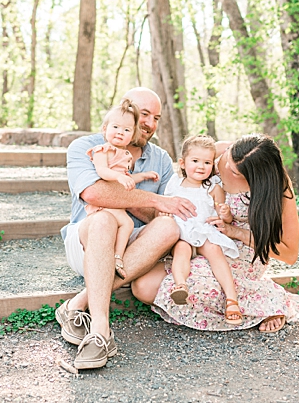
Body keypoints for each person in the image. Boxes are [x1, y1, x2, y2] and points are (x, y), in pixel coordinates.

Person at [147, 135, 299, 332]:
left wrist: (235, 231)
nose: (226, 168)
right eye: (226, 160)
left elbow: (289, 254)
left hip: (243, 252)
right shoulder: (218, 153)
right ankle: (250, 302)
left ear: (256, 176)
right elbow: (188, 174)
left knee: (158, 288)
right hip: (203, 235)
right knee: (143, 287)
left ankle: (267, 304)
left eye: (235, 171)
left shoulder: (280, 188)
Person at [53, 87, 193, 371]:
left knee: (168, 227)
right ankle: (101, 331)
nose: (150, 124)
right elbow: (93, 194)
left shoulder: (161, 160)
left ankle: (77, 304)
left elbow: (162, 213)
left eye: (156, 118)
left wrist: (135, 200)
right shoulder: (86, 147)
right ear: (125, 110)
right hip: (88, 239)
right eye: (144, 115)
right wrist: (151, 198)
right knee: (104, 220)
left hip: (136, 246)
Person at [162, 134, 244, 324]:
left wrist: (225, 213)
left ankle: (231, 299)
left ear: (212, 166)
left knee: (214, 250)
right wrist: (164, 215)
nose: (201, 166)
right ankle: (180, 286)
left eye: (207, 162)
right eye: (195, 161)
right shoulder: (175, 183)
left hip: (204, 231)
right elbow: (166, 206)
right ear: (182, 163)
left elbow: (225, 218)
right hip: (182, 232)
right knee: (181, 250)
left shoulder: (212, 187)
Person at [82, 100, 159, 279]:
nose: (120, 132)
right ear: (105, 128)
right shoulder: (103, 150)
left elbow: (128, 179)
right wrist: (118, 177)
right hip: (105, 202)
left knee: (127, 224)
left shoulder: (125, 155)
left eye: (126, 130)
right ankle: (115, 258)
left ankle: (118, 256)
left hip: (117, 203)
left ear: (132, 135)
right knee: (121, 224)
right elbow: (102, 171)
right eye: (115, 127)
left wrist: (144, 175)